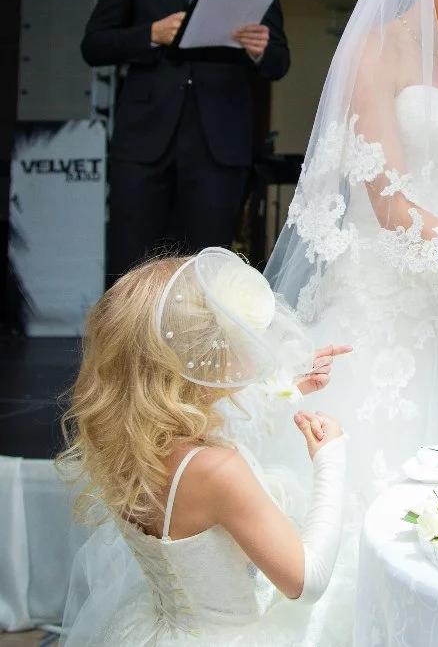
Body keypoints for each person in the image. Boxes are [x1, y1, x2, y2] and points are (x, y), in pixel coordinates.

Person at [57, 249, 350, 645]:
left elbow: (217, 431)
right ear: (202, 359)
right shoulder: (217, 470)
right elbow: (307, 582)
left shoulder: (126, 440)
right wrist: (331, 458)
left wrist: (286, 389)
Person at [81, 0, 290, 282]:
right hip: (144, 141)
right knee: (130, 267)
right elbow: (94, 45)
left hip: (220, 145)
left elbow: (279, 63)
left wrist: (258, 48)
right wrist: (150, 34)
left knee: (205, 272)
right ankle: (128, 334)